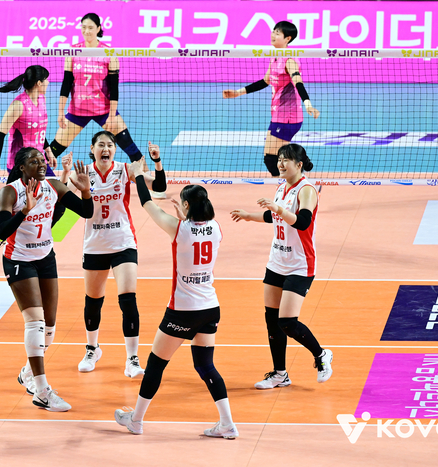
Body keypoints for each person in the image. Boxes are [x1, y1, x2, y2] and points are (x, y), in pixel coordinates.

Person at [114, 160, 238, 439]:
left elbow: (147, 204)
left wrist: (138, 176)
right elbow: (198, 230)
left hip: (182, 311)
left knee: (155, 364)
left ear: (186, 206)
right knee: (205, 365)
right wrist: (185, 215)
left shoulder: (178, 229)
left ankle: (136, 420)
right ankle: (227, 424)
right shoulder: (216, 228)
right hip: (210, 308)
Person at [0, 147, 94, 411]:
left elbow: (86, 212)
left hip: (45, 257)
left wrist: (85, 191)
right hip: (19, 259)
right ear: (21, 167)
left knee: (49, 327)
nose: (41, 163)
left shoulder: (53, 186)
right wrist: (24, 211)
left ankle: (27, 372)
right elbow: (1, 232)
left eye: (42, 160)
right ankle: (41, 391)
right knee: (35, 322)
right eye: (34, 161)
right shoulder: (10, 192)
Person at [230, 143, 332, 389]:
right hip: (276, 261)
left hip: (299, 264)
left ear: (299, 164)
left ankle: (321, 354)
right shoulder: (281, 187)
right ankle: (280, 374)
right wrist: (249, 216)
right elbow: (273, 217)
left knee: (287, 321)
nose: (281, 163)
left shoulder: (307, 190)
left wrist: (277, 208)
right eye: (279, 159)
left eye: (286, 159)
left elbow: (303, 222)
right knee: (272, 319)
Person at [73, 131, 166, 377]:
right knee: (93, 301)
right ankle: (92, 349)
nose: (106, 149)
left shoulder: (125, 170)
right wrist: (63, 175)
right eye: (101, 145)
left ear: (115, 150)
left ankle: (132, 359)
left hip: (123, 243)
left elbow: (159, 187)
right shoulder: (83, 173)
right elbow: (64, 197)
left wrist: (156, 162)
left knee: (128, 300)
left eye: (110, 145)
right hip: (95, 245)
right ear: (92, 149)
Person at [223, 21, 320, 177]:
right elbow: (266, 81)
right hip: (278, 115)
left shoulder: (290, 60)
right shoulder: (274, 55)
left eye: (277, 33)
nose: (273, 35)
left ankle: (297, 179)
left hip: (288, 117)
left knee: (272, 160)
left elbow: (298, 82)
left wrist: (308, 104)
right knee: (279, 158)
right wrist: (238, 93)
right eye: (273, 31)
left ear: (287, 38)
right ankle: (302, 167)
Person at [47, 13, 145, 168]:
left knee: (130, 147)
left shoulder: (108, 53)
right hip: (77, 110)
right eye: (84, 27)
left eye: (90, 28)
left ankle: (149, 179)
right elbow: (66, 85)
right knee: (53, 149)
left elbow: (114, 89)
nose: (86, 31)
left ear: (98, 28)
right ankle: (34, 177)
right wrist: (60, 112)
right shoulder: (73, 52)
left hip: (103, 110)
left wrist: (111, 116)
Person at [0, 65, 57, 177]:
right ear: (39, 83)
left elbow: (37, 130)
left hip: (40, 160)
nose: (48, 82)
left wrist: (49, 152)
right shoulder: (19, 105)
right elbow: (0, 134)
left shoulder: (42, 99)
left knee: (55, 188)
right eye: (46, 79)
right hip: (21, 165)